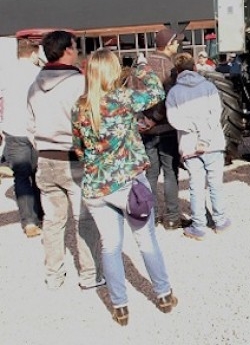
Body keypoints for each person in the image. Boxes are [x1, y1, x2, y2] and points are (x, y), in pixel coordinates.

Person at [72, 49, 177, 326]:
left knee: (110, 246)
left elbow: (79, 150)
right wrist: (141, 67)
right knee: (146, 240)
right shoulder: (123, 99)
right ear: (113, 71)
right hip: (129, 184)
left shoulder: (80, 107)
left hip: (96, 186)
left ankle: (120, 307)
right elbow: (157, 92)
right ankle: (164, 294)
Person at [26, 30, 103, 290]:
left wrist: (41, 146)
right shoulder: (78, 83)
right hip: (73, 158)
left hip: (45, 158)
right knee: (85, 218)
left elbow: (29, 125)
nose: (77, 50)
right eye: (74, 46)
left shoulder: (35, 84)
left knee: (52, 220)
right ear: (67, 50)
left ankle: (54, 274)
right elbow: (91, 122)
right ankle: (90, 275)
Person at [166, 53, 231, 240]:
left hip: (189, 145)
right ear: (194, 67)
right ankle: (220, 221)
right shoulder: (209, 87)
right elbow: (215, 114)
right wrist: (205, 134)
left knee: (195, 185)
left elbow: (174, 119)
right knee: (215, 184)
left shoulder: (174, 93)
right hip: (213, 143)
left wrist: (193, 128)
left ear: (177, 71)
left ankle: (199, 225)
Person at [133, 27, 189, 230]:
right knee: (170, 173)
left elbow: (132, 96)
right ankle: (172, 217)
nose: (177, 45)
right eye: (176, 42)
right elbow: (170, 99)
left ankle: (152, 216)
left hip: (145, 130)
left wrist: (142, 121)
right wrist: (155, 120)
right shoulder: (171, 68)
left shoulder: (141, 67)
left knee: (150, 175)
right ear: (169, 44)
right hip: (165, 129)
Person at [1, 39, 44, 237]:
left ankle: (29, 221)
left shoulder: (6, 72)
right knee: (37, 173)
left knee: (21, 176)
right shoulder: (39, 74)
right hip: (36, 130)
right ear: (34, 54)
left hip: (13, 131)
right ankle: (41, 212)